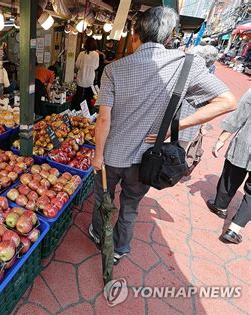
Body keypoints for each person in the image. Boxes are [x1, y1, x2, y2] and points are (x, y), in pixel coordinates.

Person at [89, 6, 236, 265]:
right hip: (146, 159)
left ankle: (98, 233)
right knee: (130, 205)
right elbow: (226, 101)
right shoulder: (187, 66)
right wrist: (174, 128)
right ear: (169, 38)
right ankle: (120, 248)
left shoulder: (114, 69)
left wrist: (97, 156)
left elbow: (103, 119)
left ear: (135, 36)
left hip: (112, 156)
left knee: (103, 198)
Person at [207, 89, 250, 244]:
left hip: (246, 142)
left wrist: (222, 139)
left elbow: (240, 114)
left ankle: (220, 206)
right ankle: (233, 230)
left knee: (231, 173)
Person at [72, 37, 100, 111]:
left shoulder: (81, 54)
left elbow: (77, 65)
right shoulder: (96, 55)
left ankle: (77, 111)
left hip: (81, 78)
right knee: (88, 97)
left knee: (78, 96)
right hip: (90, 79)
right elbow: (96, 67)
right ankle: (87, 112)